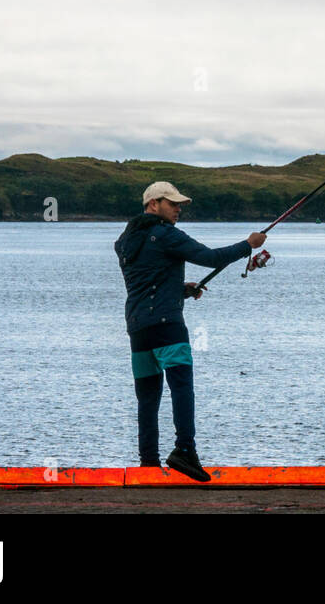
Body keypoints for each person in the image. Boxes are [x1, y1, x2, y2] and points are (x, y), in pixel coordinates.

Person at [114, 181, 266, 481]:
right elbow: (210, 258)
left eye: (179, 204)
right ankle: (184, 451)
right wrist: (248, 244)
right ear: (153, 204)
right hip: (168, 326)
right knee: (182, 388)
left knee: (147, 398)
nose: (178, 208)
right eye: (172, 203)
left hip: (138, 328)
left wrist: (181, 290)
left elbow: (146, 282)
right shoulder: (165, 234)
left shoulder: (124, 241)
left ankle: (148, 464)